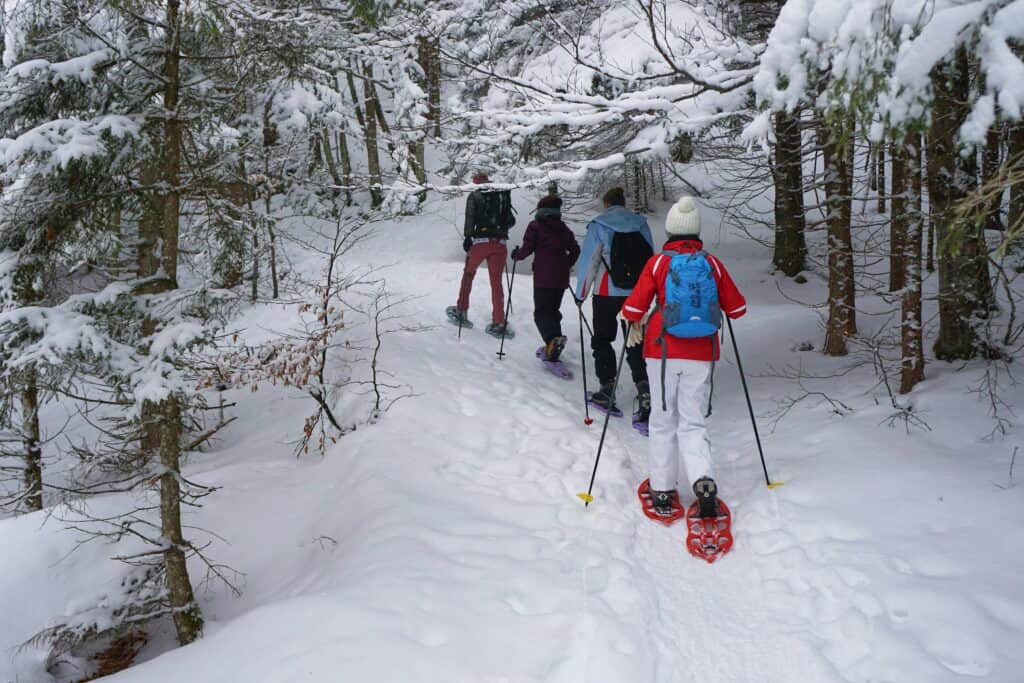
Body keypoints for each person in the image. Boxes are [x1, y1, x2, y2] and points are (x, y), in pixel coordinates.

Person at [620, 196, 747, 518]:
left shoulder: (660, 263)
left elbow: (633, 308)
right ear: (696, 231)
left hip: (661, 351)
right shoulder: (712, 263)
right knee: (692, 421)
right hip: (701, 352)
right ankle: (703, 479)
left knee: (663, 420)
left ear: (670, 230)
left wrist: (635, 315)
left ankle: (662, 489)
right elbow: (738, 309)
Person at [573, 187, 654, 421]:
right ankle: (644, 389)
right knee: (635, 340)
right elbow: (650, 259)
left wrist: (581, 294)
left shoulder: (599, 225)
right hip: (636, 295)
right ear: (624, 202)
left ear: (607, 204)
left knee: (602, 339)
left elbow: (590, 262)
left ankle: (607, 388)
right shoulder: (641, 224)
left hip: (606, 292)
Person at [447, 172, 516, 337]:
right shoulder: (500, 195)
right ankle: (499, 321)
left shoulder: (475, 195)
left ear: (476, 182)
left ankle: (461, 310)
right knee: (496, 282)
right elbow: (511, 221)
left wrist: (468, 236)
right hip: (500, 244)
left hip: (480, 243)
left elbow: (470, 218)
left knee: (469, 274)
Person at [512, 195, 580, 360]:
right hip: (561, 277)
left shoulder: (536, 226)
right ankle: (555, 341)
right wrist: (566, 264)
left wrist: (516, 255)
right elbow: (576, 250)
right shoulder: (564, 229)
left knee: (541, 312)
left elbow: (527, 249)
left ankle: (552, 340)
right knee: (553, 311)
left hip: (544, 276)